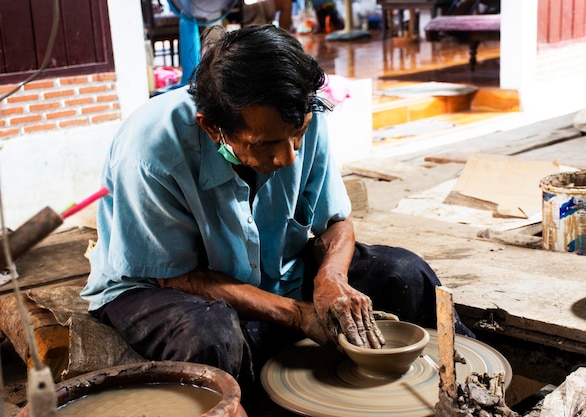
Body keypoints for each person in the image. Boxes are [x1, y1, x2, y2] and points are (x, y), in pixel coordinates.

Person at [81, 24, 474, 398]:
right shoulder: (151, 150)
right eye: (266, 143)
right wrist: (298, 314)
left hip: (276, 274)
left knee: (404, 273)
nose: (288, 157)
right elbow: (177, 277)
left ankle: (475, 388)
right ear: (212, 128)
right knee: (212, 338)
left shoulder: (299, 113)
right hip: (160, 287)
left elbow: (335, 222)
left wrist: (330, 278)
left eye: (297, 136)